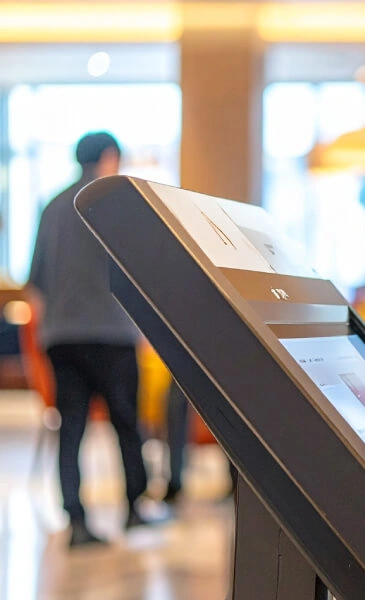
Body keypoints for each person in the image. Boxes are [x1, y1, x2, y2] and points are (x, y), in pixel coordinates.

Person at [28, 131, 150, 547]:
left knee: (72, 428)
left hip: (62, 336)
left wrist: (44, 340)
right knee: (126, 424)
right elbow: (139, 277)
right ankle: (134, 508)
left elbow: (36, 286)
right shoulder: (118, 205)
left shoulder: (52, 207)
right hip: (112, 333)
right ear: (110, 157)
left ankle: (76, 522)